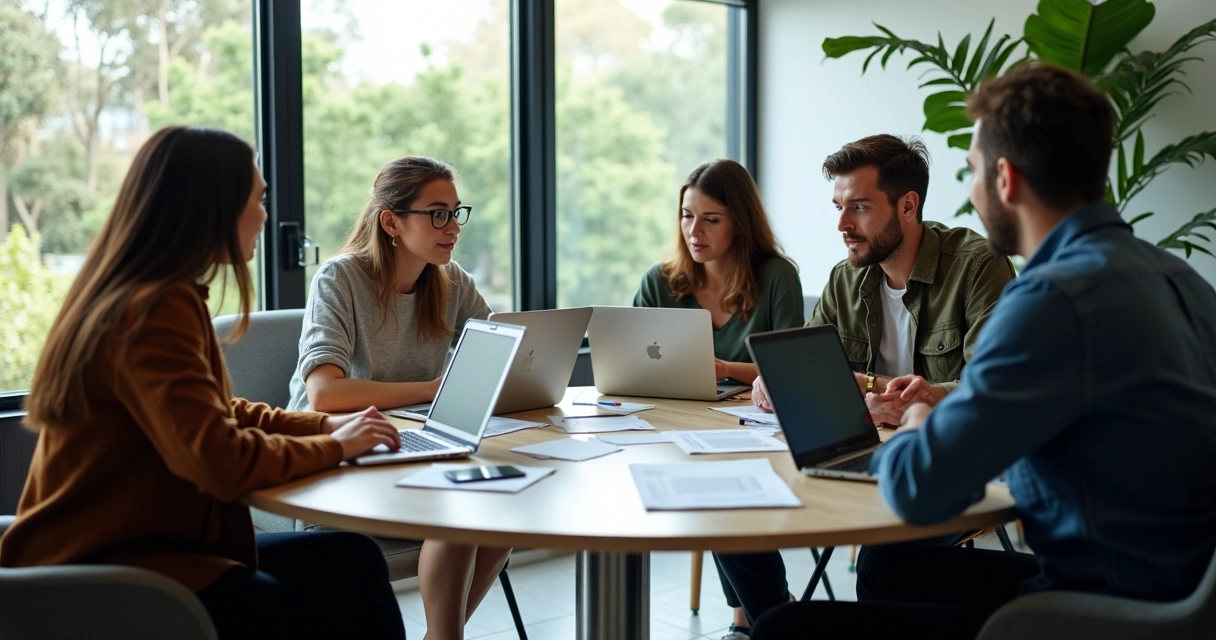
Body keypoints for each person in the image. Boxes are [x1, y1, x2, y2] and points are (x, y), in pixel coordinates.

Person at [751, 63, 1216, 640]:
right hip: (1183, 596)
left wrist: (921, 417)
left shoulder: (1050, 299)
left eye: (972, 171)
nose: (971, 192)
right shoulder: (1181, 279)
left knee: (783, 629)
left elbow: (921, 488)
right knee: (892, 566)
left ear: (1006, 178)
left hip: (1099, 611)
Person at [0, 126, 406, 639]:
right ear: (211, 207)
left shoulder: (153, 295)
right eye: (256, 199)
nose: (263, 214)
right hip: (105, 567)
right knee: (298, 606)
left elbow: (221, 410)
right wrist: (335, 446)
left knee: (350, 560)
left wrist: (322, 422)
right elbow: (219, 461)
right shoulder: (152, 309)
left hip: (141, 546)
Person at [719, 134, 1016, 629]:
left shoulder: (977, 265)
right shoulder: (844, 279)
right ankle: (769, 620)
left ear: (907, 205)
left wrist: (933, 394)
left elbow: (996, 389)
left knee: (885, 563)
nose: (841, 225)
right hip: (855, 451)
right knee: (728, 500)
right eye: (838, 206)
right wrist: (777, 382)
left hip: (944, 458)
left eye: (857, 207)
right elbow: (814, 372)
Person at [286, 156, 509, 640]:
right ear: (391, 221)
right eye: (437, 213)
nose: (452, 227)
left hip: (416, 447)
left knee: (499, 514)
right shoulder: (340, 279)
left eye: (455, 212)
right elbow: (323, 393)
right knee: (464, 508)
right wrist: (435, 389)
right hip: (339, 451)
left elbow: (499, 349)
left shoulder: (450, 283)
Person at [632, 158, 803, 639]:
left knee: (723, 487)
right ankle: (763, 614)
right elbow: (629, 359)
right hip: (676, 428)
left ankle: (755, 617)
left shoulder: (776, 277)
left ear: (740, 222)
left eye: (711, 218)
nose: (694, 230)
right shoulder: (661, 281)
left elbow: (790, 361)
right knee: (708, 484)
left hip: (759, 429)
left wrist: (727, 370)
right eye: (687, 215)